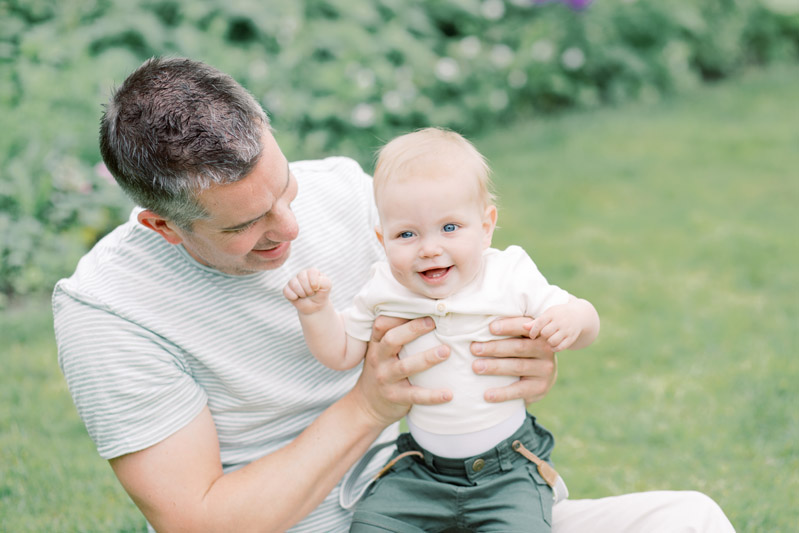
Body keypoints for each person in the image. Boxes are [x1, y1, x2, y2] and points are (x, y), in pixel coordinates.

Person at [52, 57, 736, 532]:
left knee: (690, 518)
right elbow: (199, 521)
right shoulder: (112, 310)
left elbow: (475, 300)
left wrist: (524, 355)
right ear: (162, 225)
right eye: (246, 224)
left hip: (443, 497)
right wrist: (367, 405)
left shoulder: (352, 194)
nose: (289, 227)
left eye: (283, 187)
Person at [283, 128, 600, 531]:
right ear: (382, 239)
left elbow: (584, 319)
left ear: (486, 226)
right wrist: (315, 312)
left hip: (507, 471)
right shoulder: (385, 287)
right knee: (372, 524)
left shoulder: (509, 273)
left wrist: (575, 320)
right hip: (420, 471)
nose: (429, 248)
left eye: (450, 228)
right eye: (406, 234)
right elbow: (341, 352)